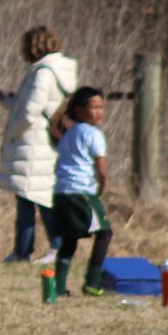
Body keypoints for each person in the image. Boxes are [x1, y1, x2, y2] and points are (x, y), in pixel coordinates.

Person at [0, 26, 79, 263]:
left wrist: (13, 132)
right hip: (39, 144)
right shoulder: (50, 71)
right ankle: (26, 250)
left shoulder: (43, 74)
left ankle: (43, 249)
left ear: (33, 47)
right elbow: (23, 103)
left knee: (37, 198)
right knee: (31, 197)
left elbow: (29, 112)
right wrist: (1, 98)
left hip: (34, 143)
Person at [49, 86, 113, 299]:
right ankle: (93, 283)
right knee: (104, 233)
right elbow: (101, 170)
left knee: (70, 238)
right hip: (81, 193)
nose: (98, 112)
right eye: (93, 107)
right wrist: (101, 189)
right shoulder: (93, 134)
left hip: (61, 192)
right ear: (78, 110)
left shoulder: (69, 134)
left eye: (101, 107)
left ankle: (57, 287)